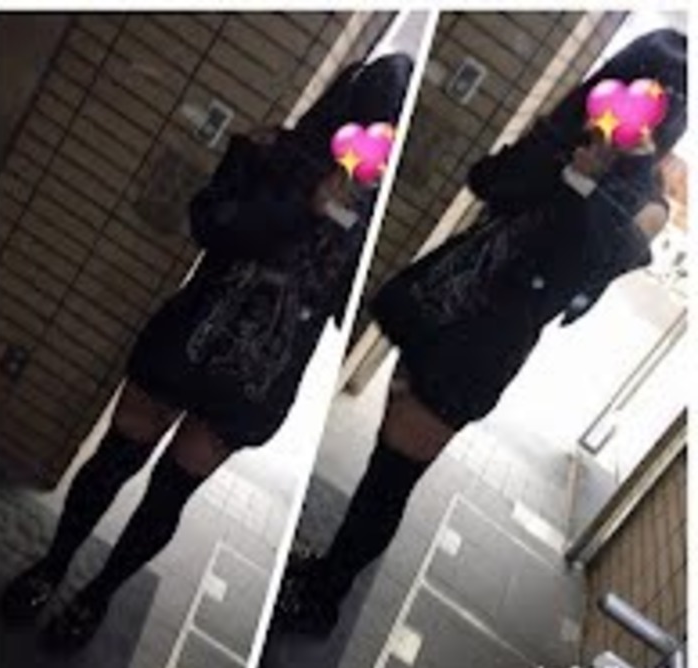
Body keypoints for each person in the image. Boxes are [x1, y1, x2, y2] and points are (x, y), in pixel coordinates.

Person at [275, 28, 687, 637]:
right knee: (381, 463)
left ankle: (322, 601)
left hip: (478, 352)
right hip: (436, 310)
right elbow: (487, 180)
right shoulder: (566, 136)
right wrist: (557, 146)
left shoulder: (646, 202)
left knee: (390, 481)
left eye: (654, 101)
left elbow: (578, 267)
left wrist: (587, 180)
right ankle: (324, 576)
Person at [0, 52, 414, 651]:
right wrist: (305, 206)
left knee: (170, 494)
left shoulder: (375, 208)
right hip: (188, 336)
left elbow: (346, 310)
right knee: (115, 458)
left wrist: (358, 232)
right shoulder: (268, 150)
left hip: (257, 373)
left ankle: (97, 596)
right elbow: (209, 223)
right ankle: (52, 565)